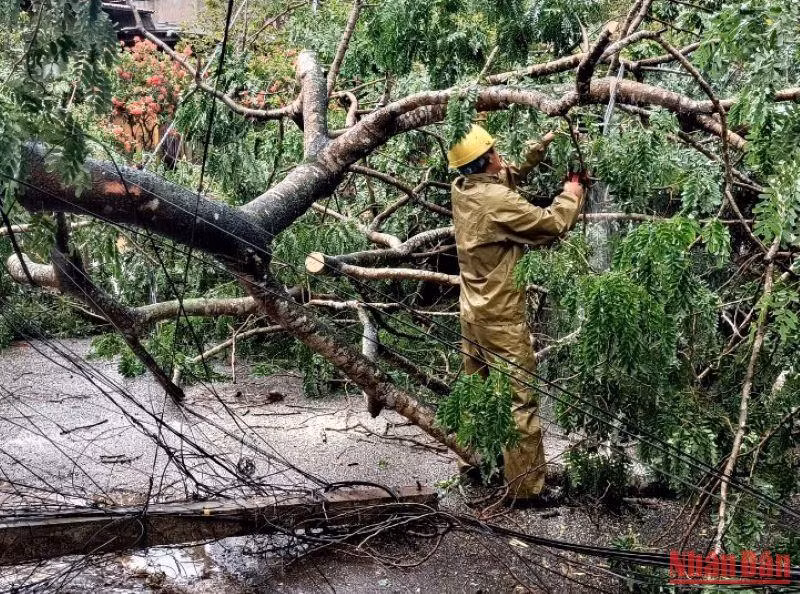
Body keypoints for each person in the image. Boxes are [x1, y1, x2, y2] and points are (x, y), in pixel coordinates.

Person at [448, 124, 586, 500]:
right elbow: (551, 225)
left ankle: (475, 465)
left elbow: (504, 178)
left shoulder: (463, 189)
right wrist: (571, 194)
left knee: (476, 392)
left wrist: (540, 146)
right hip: (502, 317)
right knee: (518, 400)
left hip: (471, 311)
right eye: (495, 150)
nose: (500, 156)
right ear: (487, 159)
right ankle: (525, 489)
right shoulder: (497, 202)